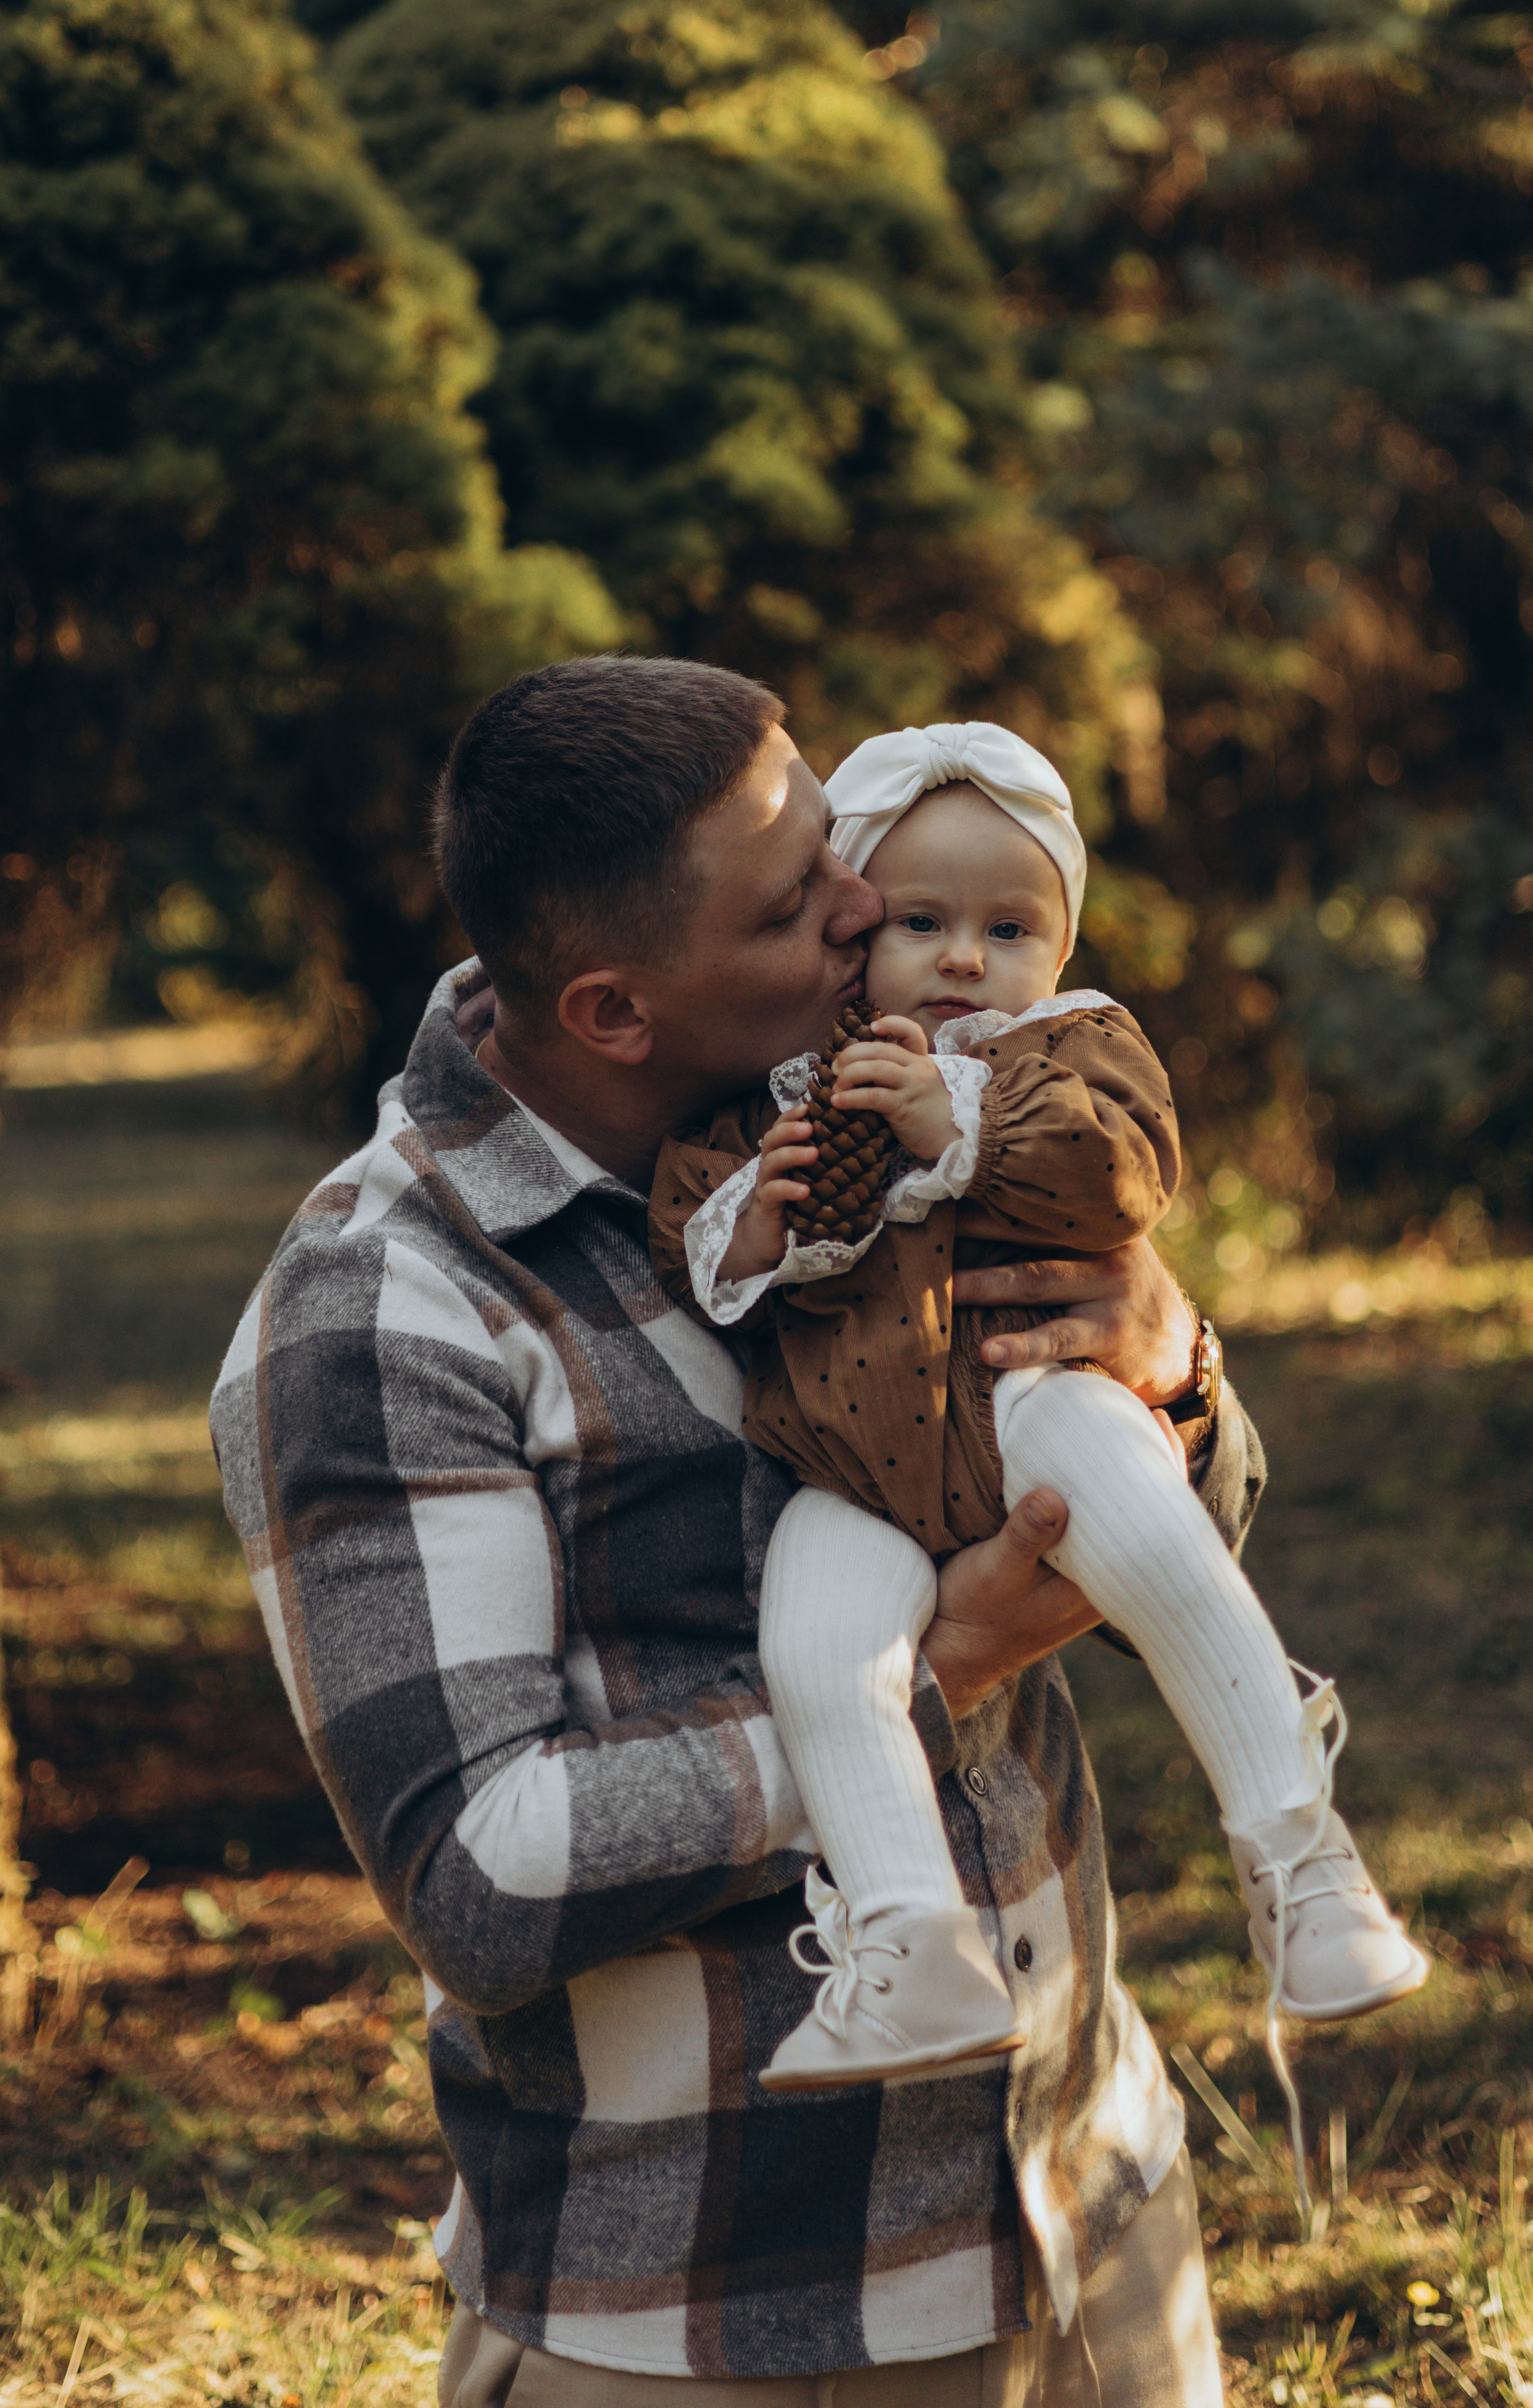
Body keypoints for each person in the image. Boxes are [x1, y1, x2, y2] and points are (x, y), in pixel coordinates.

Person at [213, 656, 1268, 2408]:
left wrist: (1173, 1361)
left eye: (829, 838)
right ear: (619, 1010)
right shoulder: (386, 1309)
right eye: (800, 901)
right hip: (709, 2313)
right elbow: (486, 1870)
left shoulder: (911, 1121)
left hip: (1085, 2213)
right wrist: (934, 1673)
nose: (872, 903)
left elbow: (1206, 1521)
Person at [649, 723, 1428, 2095]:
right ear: (853, 930)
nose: (963, 958)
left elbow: (1119, 1178)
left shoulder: (1069, 1049)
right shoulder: (791, 1088)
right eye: (920, 921)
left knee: (1142, 1515)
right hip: (854, 1478)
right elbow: (692, 1238)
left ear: (1059, 942)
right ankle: (908, 1944)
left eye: (1008, 925)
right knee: (820, 1654)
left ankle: (1300, 1856)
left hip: (1035, 1401)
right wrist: (760, 1214)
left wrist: (958, 1121)